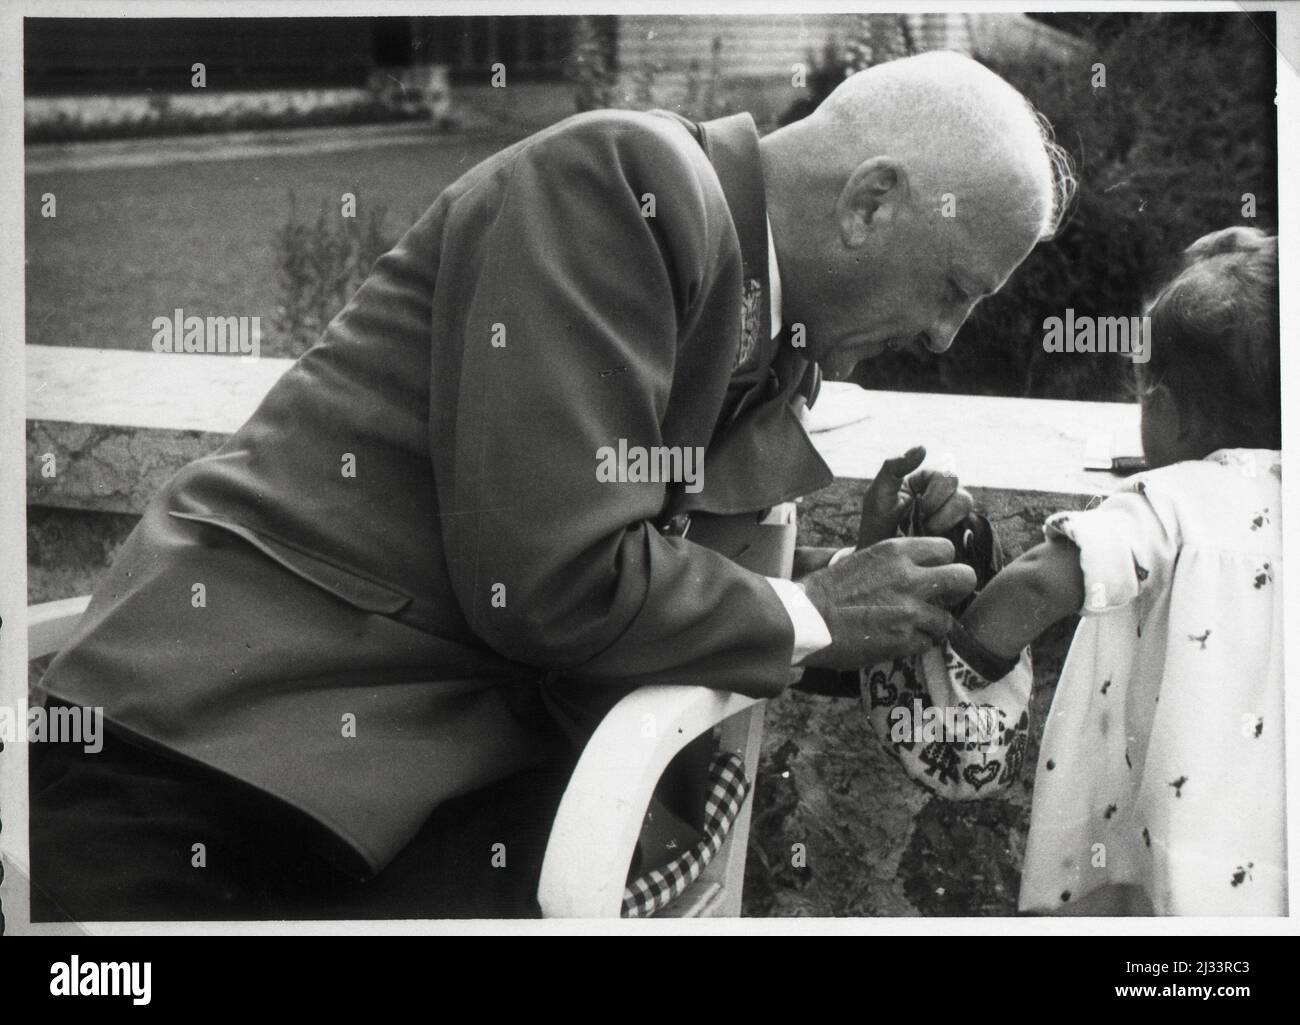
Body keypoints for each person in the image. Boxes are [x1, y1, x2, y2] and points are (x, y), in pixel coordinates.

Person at [30, 51, 1072, 920]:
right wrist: (810, 612)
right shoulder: (624, 180)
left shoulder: (759, 304)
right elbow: (551, 578)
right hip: (219, 746)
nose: (944, 337)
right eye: (951, 289)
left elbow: (652, 588)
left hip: (390, 767)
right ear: (870, 201)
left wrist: (855, 597)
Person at [932, 227, 1282, 914]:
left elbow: (1041, 579)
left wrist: (963, 660)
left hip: (1158, 839)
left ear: (1171, 412)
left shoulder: (1170, 503)